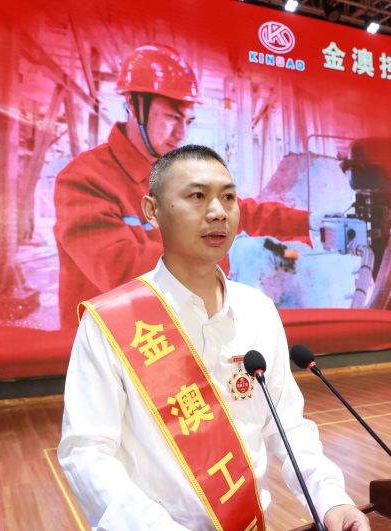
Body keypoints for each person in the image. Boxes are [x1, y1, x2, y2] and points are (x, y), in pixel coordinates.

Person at [58, 145, 371, 531]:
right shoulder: (110, 322)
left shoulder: (258, 310)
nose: (218, 212)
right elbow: (86, 454)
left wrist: (332, 500)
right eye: (197, 196)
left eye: (228, 197)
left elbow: (288, 426)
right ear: (152, 211)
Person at [53, 44, 312, 328]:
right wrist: (234, 257)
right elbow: (122, 269)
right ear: (133, 104)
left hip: (176, 333)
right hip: (109, 343)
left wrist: (310, 223)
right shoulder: (85, 179)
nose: (181, 133)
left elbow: (237, 212)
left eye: (188, 121)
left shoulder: (176, 174)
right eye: (173, 117)